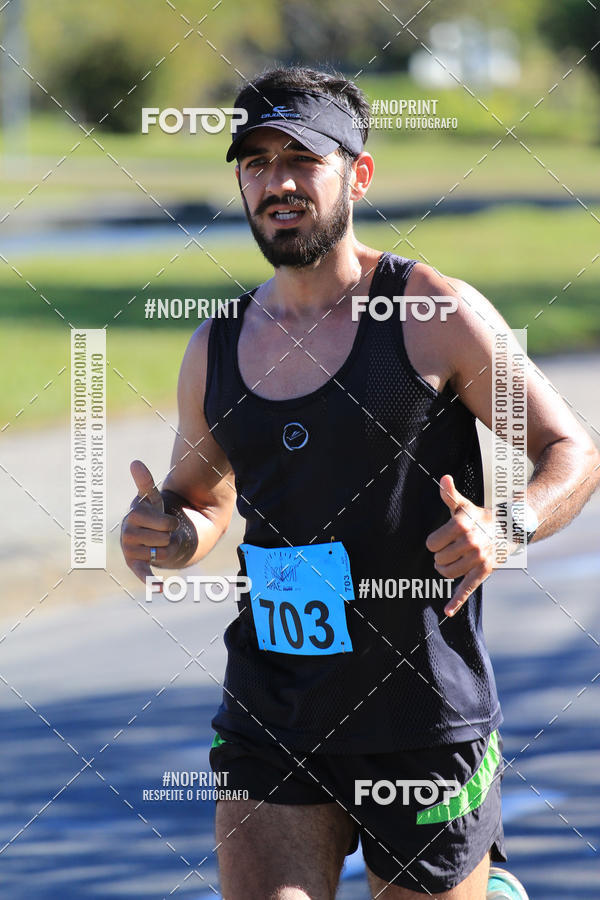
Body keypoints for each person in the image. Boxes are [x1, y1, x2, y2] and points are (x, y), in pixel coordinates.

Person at [120, 66, 599, 900]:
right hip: (273, 710)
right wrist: (169, 530)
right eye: (256, 161)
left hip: (421, 716)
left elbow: (570, 450)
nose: (277, 182)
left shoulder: (431, 312)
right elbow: (204, 496)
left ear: (357, 174)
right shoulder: (218, 344)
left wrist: (507, 526)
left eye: (301, 159)